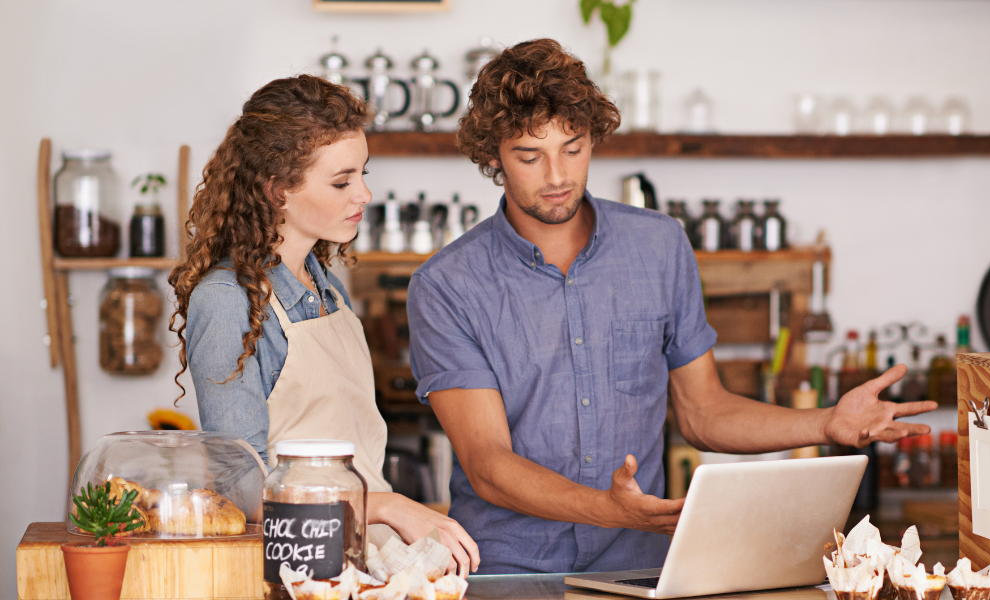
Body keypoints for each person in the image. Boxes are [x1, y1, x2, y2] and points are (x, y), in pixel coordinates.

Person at [407, 38, 937, 575]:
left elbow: (705, 412)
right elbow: (489, 466)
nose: (557, 176)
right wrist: (609, 510)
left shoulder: (658, 245)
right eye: (529, 156)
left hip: (636, 566)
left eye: (574, 147)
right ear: (492, 155)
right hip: (506, 570)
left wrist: (826, 423)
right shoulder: (447, 285)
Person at [169, 75, 479, 574]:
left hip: (359, 561)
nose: (365, 193)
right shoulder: (230, 301)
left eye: (362, 173)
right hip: (295, 570)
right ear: (278, 191)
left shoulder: (326, 287)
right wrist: (389, 506)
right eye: (341, 182)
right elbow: (244, 492)